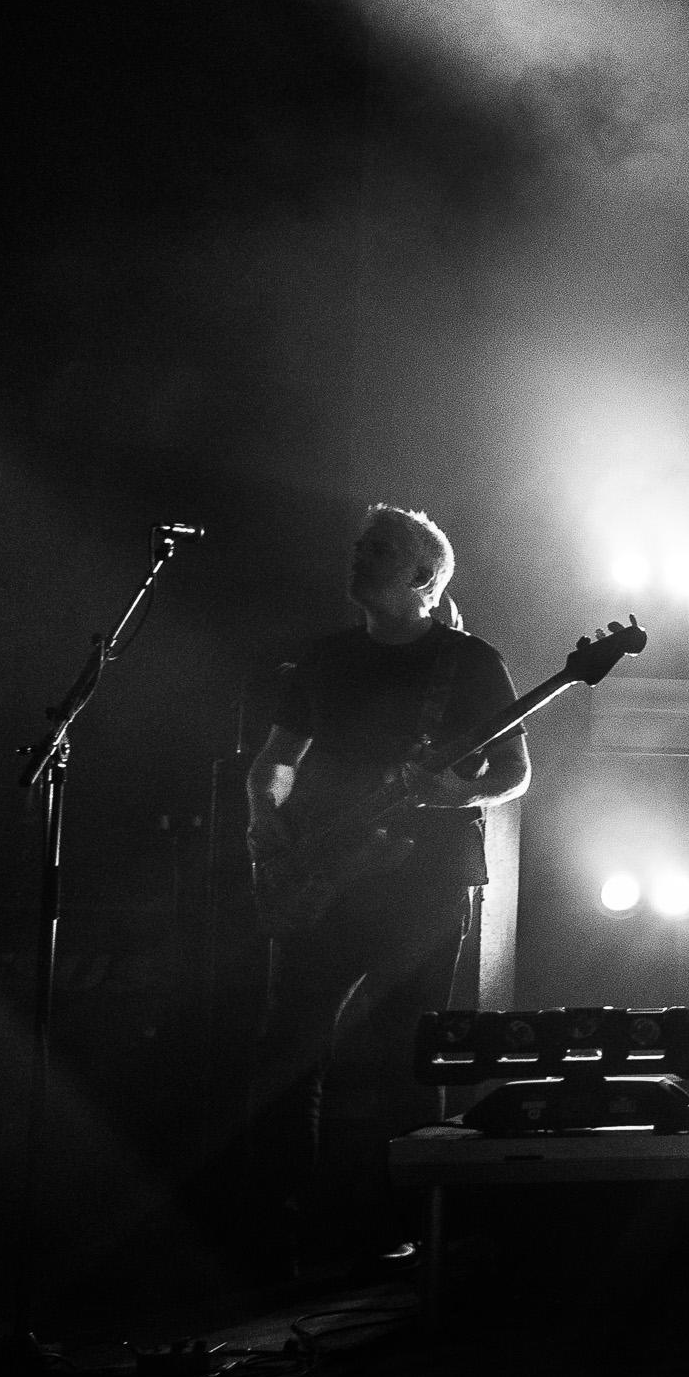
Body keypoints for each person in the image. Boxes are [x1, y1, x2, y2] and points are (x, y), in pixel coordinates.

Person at [245, 505, 528, 1278]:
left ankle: (405, 1232)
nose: (359, 557)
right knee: (289, 1053)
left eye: (381, 550)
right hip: (327, 869)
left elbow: (513, 772)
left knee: (411, 1056)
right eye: (361, 546)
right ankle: (282, 1232)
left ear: (424, 579)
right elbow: (275, 759)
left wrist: (450, 796)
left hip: (424, 880)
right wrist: (261, 815)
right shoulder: (324, 659)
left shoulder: (469, 663)